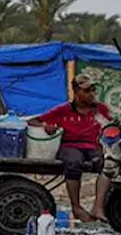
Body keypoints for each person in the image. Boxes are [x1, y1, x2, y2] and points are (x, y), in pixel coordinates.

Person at [28, 74, 112, 222]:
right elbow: (33, 121)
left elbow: (112, 126)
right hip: (70, 145)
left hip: (94, 146)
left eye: (93, 90)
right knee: (73, 162)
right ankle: (76, 207)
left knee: (107, 164)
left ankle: (98, 207)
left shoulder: (100, 109)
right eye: (86, 91)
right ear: (76, 91)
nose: (91, 94)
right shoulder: (63, 110)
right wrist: (46, 126)